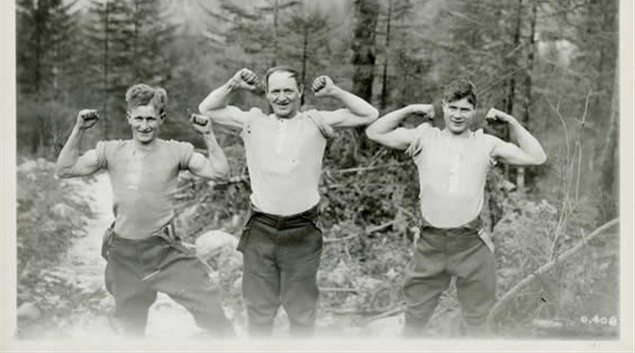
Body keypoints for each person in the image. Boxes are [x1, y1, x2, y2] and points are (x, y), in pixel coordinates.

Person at [198, 66, 378, 337]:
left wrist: (333, 91)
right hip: (260, 228)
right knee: (259, 311)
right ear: (267, 94)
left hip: (302, 231)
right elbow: (207, 108)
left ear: (300, 92)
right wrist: (234, 83)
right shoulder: (253, 121)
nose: (281, 98)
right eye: (275, 91)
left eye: (288, 91)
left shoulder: (316, 121)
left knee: (302, 312)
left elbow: (369, 114)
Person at [365, 79, 547, 337]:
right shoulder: (425, 137)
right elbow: (374, 132)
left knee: (477, 323)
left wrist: (511, 122)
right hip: (431, 243)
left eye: (464, 109)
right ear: (443, 107)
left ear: (474, 112)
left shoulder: (487, 144)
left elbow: (537, 156)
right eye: (452, 108)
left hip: (470, 244)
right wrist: (411, 110)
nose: (458, 115)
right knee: (414, 321)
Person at [55, 84, 235, 338]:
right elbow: (64, 169)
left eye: (150, 119)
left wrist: (208, 134)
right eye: (138, 118)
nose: (144, 125)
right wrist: (79, 129)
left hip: (164, 251)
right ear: (129, 117)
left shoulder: (176, 151)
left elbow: (220, 173)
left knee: (210, 306)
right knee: (131, 329)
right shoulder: (111, 150)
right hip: (123, 253)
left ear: (161, 119)